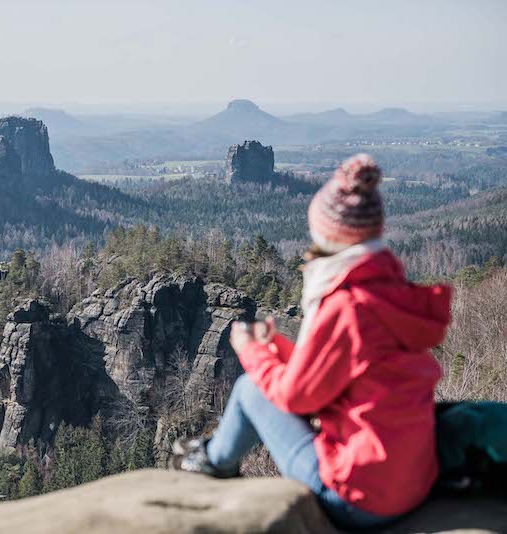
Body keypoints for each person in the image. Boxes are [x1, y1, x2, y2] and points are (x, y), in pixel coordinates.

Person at [171, 154, 452, 530]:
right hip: (413, 482)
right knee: (264, 382)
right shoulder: (390, 292)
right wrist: (281, 351)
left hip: (360, 497)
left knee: (250, 388)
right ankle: (212, 456)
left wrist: (250, 350)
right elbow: (348, 371)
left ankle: (212, 463)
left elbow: (297, 397)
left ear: (328, 234)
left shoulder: (347, 305)